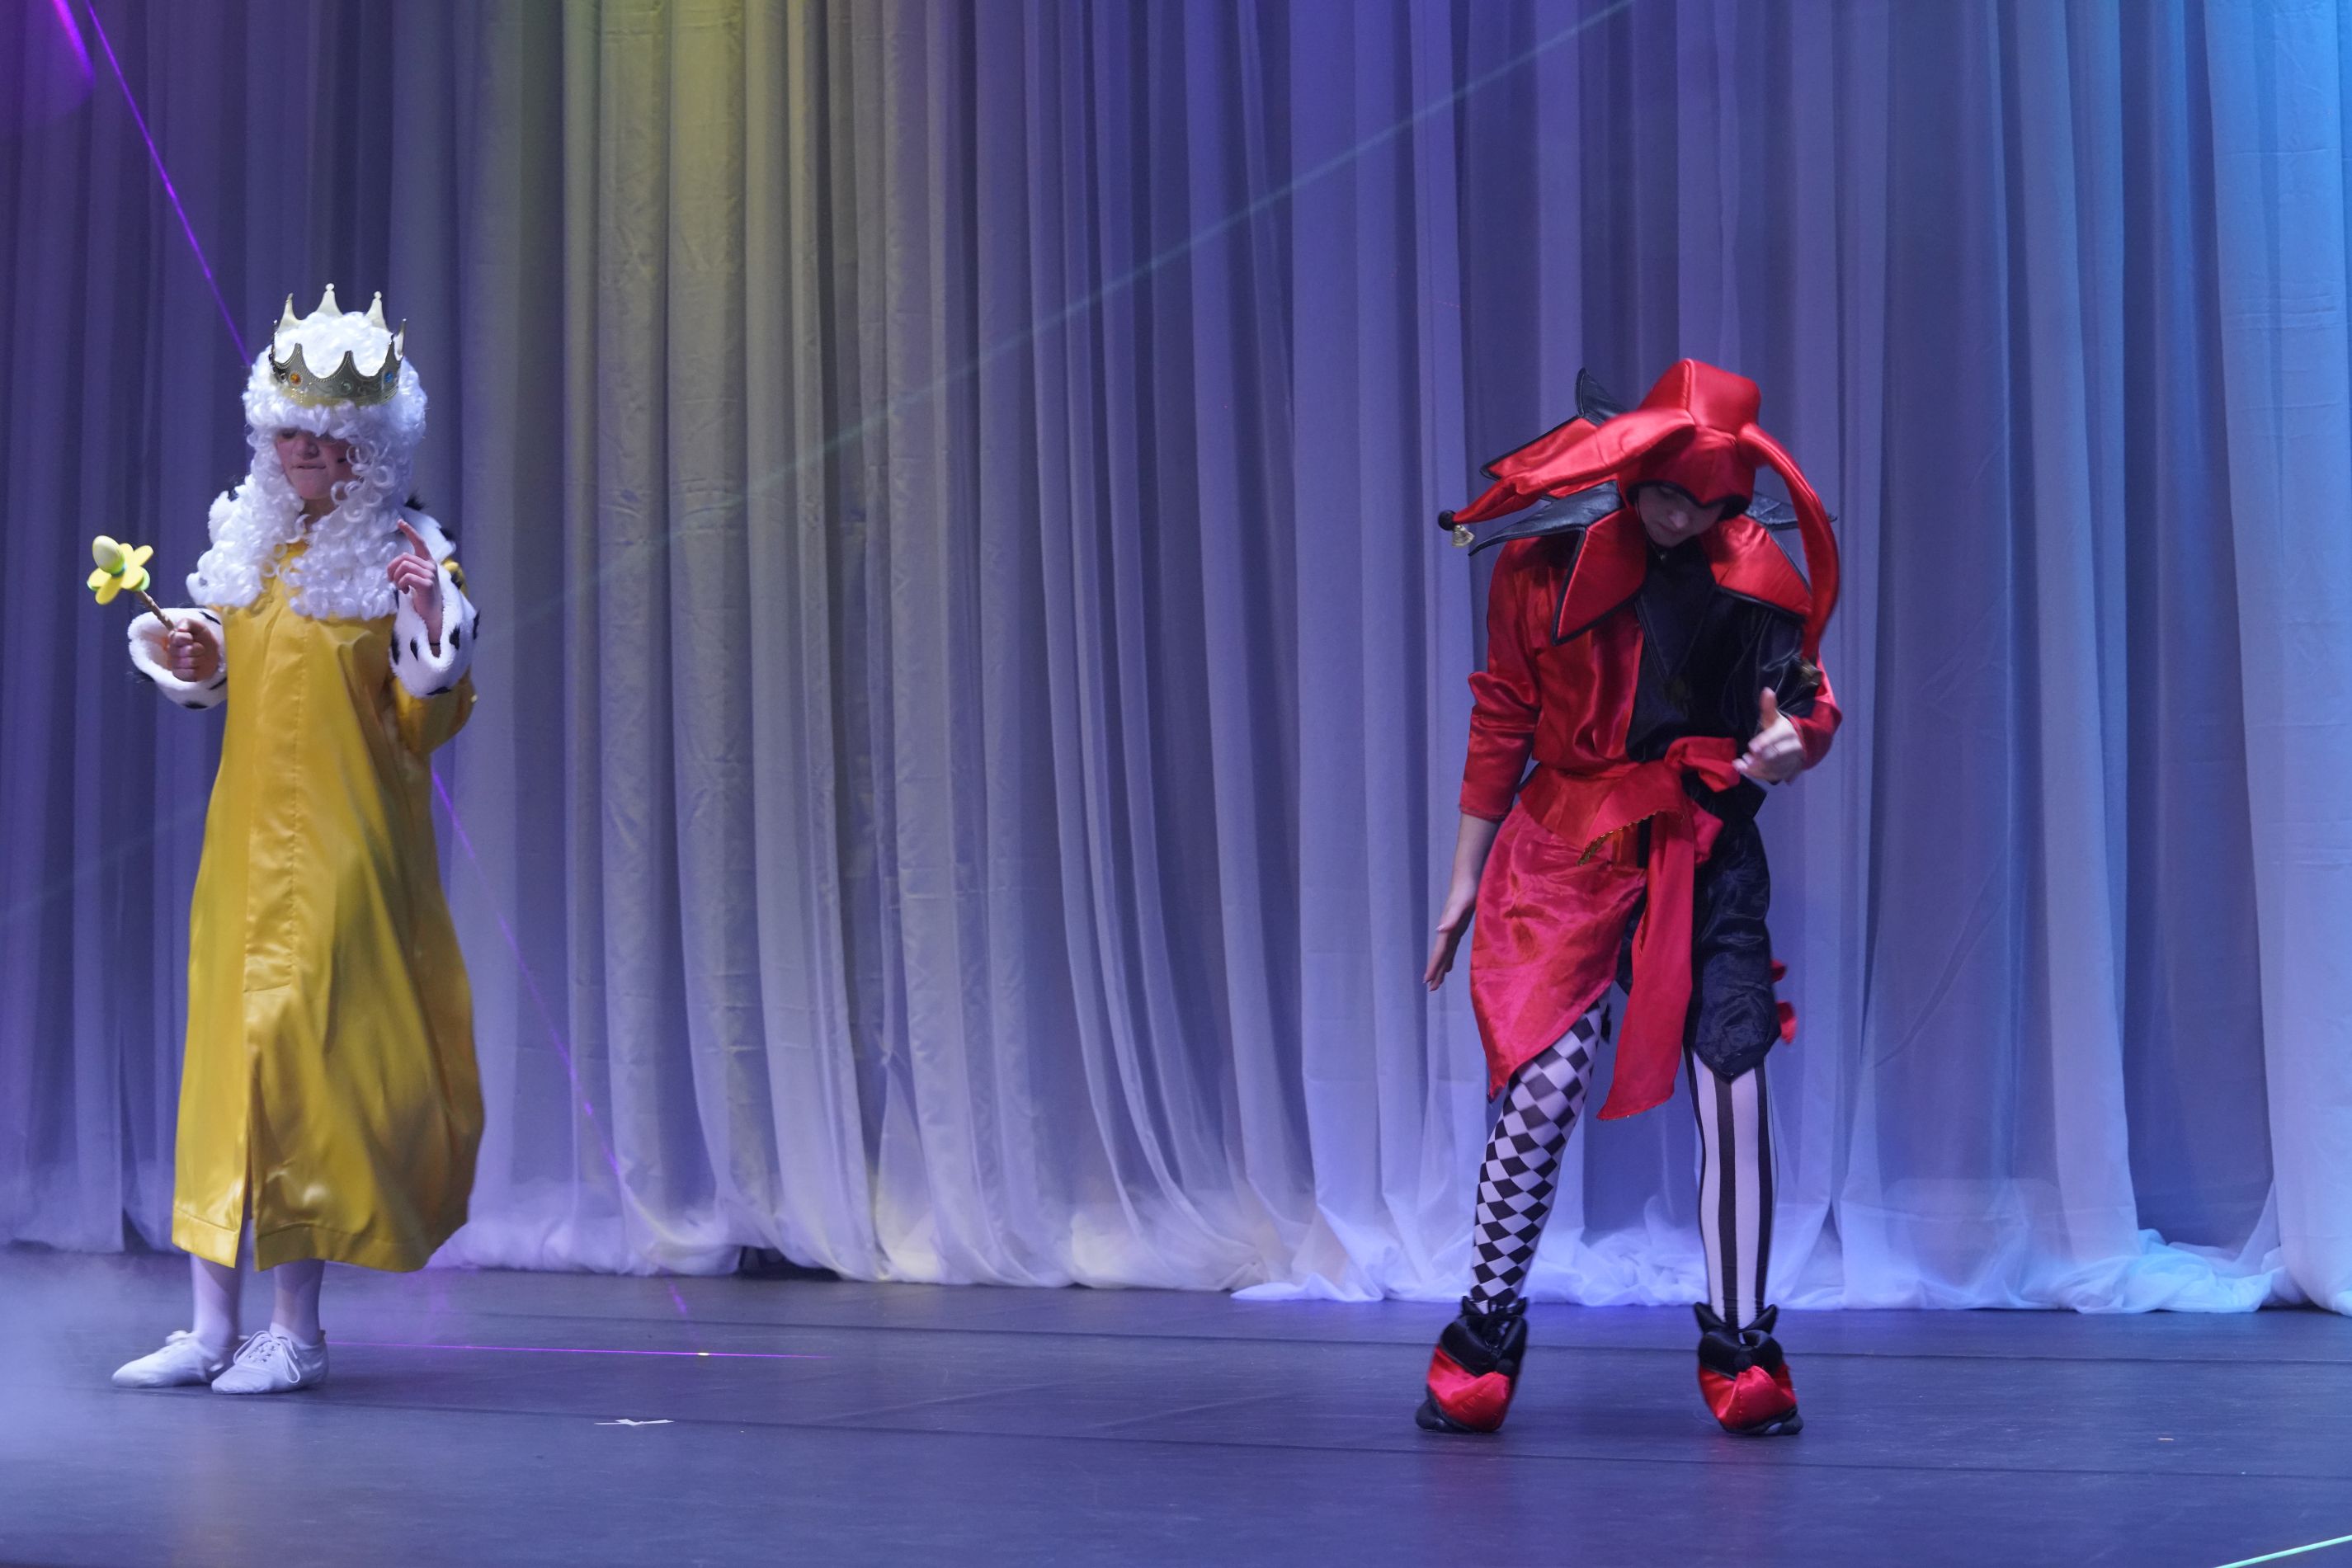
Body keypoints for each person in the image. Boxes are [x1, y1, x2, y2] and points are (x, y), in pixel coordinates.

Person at [1418, 360, 1841, 1438]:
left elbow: (1803, 698)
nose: (1677, 516)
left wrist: (1794, 742)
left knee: (1735, 1078)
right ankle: (1484, 1328)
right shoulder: (1541, 568)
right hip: (1566, 841)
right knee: (1546, 1086)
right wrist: (1464, 877)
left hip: (1702, 844)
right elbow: (1503, 715)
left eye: (1703, 503)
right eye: (1663, 492)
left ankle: (1742, 1342)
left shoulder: (1757, 579)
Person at [111, 287, 482, 1395]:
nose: (304, 451)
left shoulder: (408, 550)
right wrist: (195, 654)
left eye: (326, 435)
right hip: (243, 851)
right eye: (289, 431)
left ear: (371, 444)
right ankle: (207, 1327)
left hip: (343, 851)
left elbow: (428, 713)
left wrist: (431, 621)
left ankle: (297, 1331)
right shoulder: (253, 538)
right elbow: (237, 667)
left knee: (305, 1072)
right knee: (227, 1061)